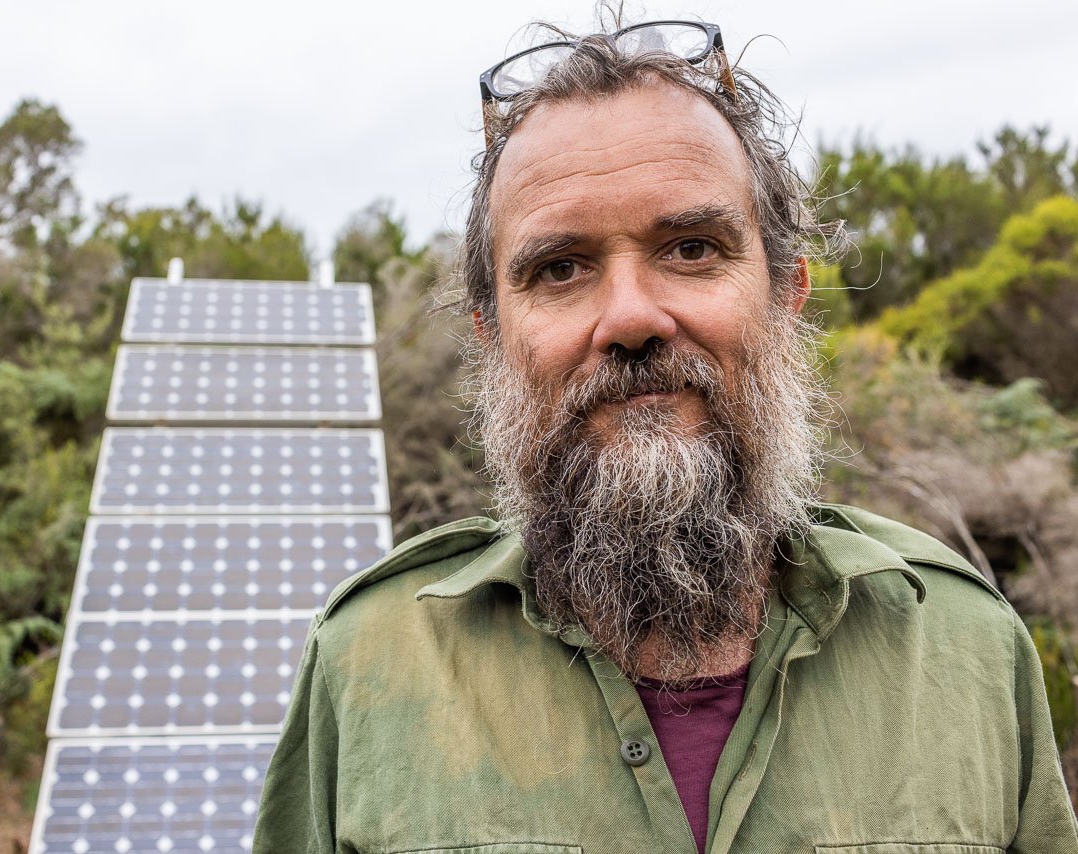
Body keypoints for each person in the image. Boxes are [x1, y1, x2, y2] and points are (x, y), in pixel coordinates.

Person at [254, 17, 1078, 854]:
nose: (632, 319)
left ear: (787, 293)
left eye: (691, 248)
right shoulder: (368, 665)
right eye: (560, 268)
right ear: (492, 334)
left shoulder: (965, 646)